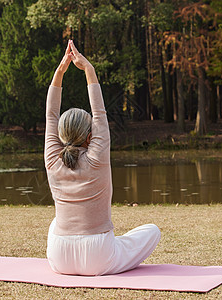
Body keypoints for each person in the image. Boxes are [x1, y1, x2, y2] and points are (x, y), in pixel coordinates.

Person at [44, 40, 161, 276]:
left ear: (59, 134)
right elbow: (99, 112)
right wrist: (89, 69)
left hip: (59, 259)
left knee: (55, 223)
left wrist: (59, 73)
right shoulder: (97, 158)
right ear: (90, 136)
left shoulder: (52, 160)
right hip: (99, 257)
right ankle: (117, 247)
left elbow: (50, 116)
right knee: (152, 231)